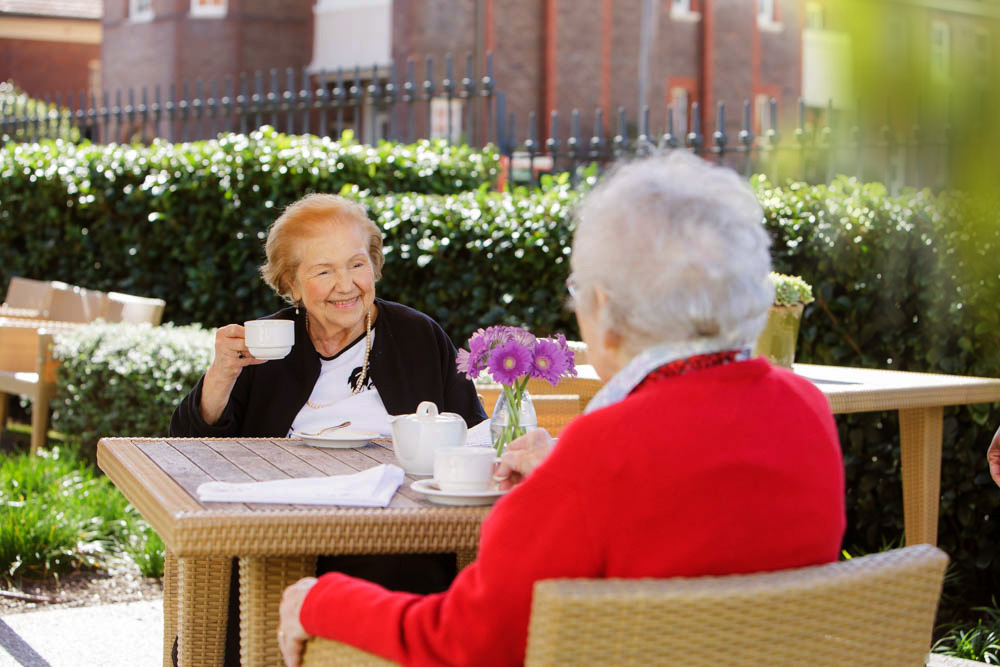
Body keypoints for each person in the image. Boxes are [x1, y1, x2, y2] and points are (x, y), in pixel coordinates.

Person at [277, 152, 847, 666]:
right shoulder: (806, 411)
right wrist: (559, 474)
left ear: (603, 307)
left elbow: (463, 641)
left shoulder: (604, 451)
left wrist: (318, 598)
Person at [169, 192, 486, 665]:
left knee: (401, 577)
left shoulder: (419, 336)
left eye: (357, 264)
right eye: (323, 271)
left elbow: (473, 436)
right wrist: (222, 373)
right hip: (279, 536)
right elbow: (192, 447)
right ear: (291, 284)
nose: (346, 285)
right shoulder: (266, 346)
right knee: (253, 588)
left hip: (398, 537)